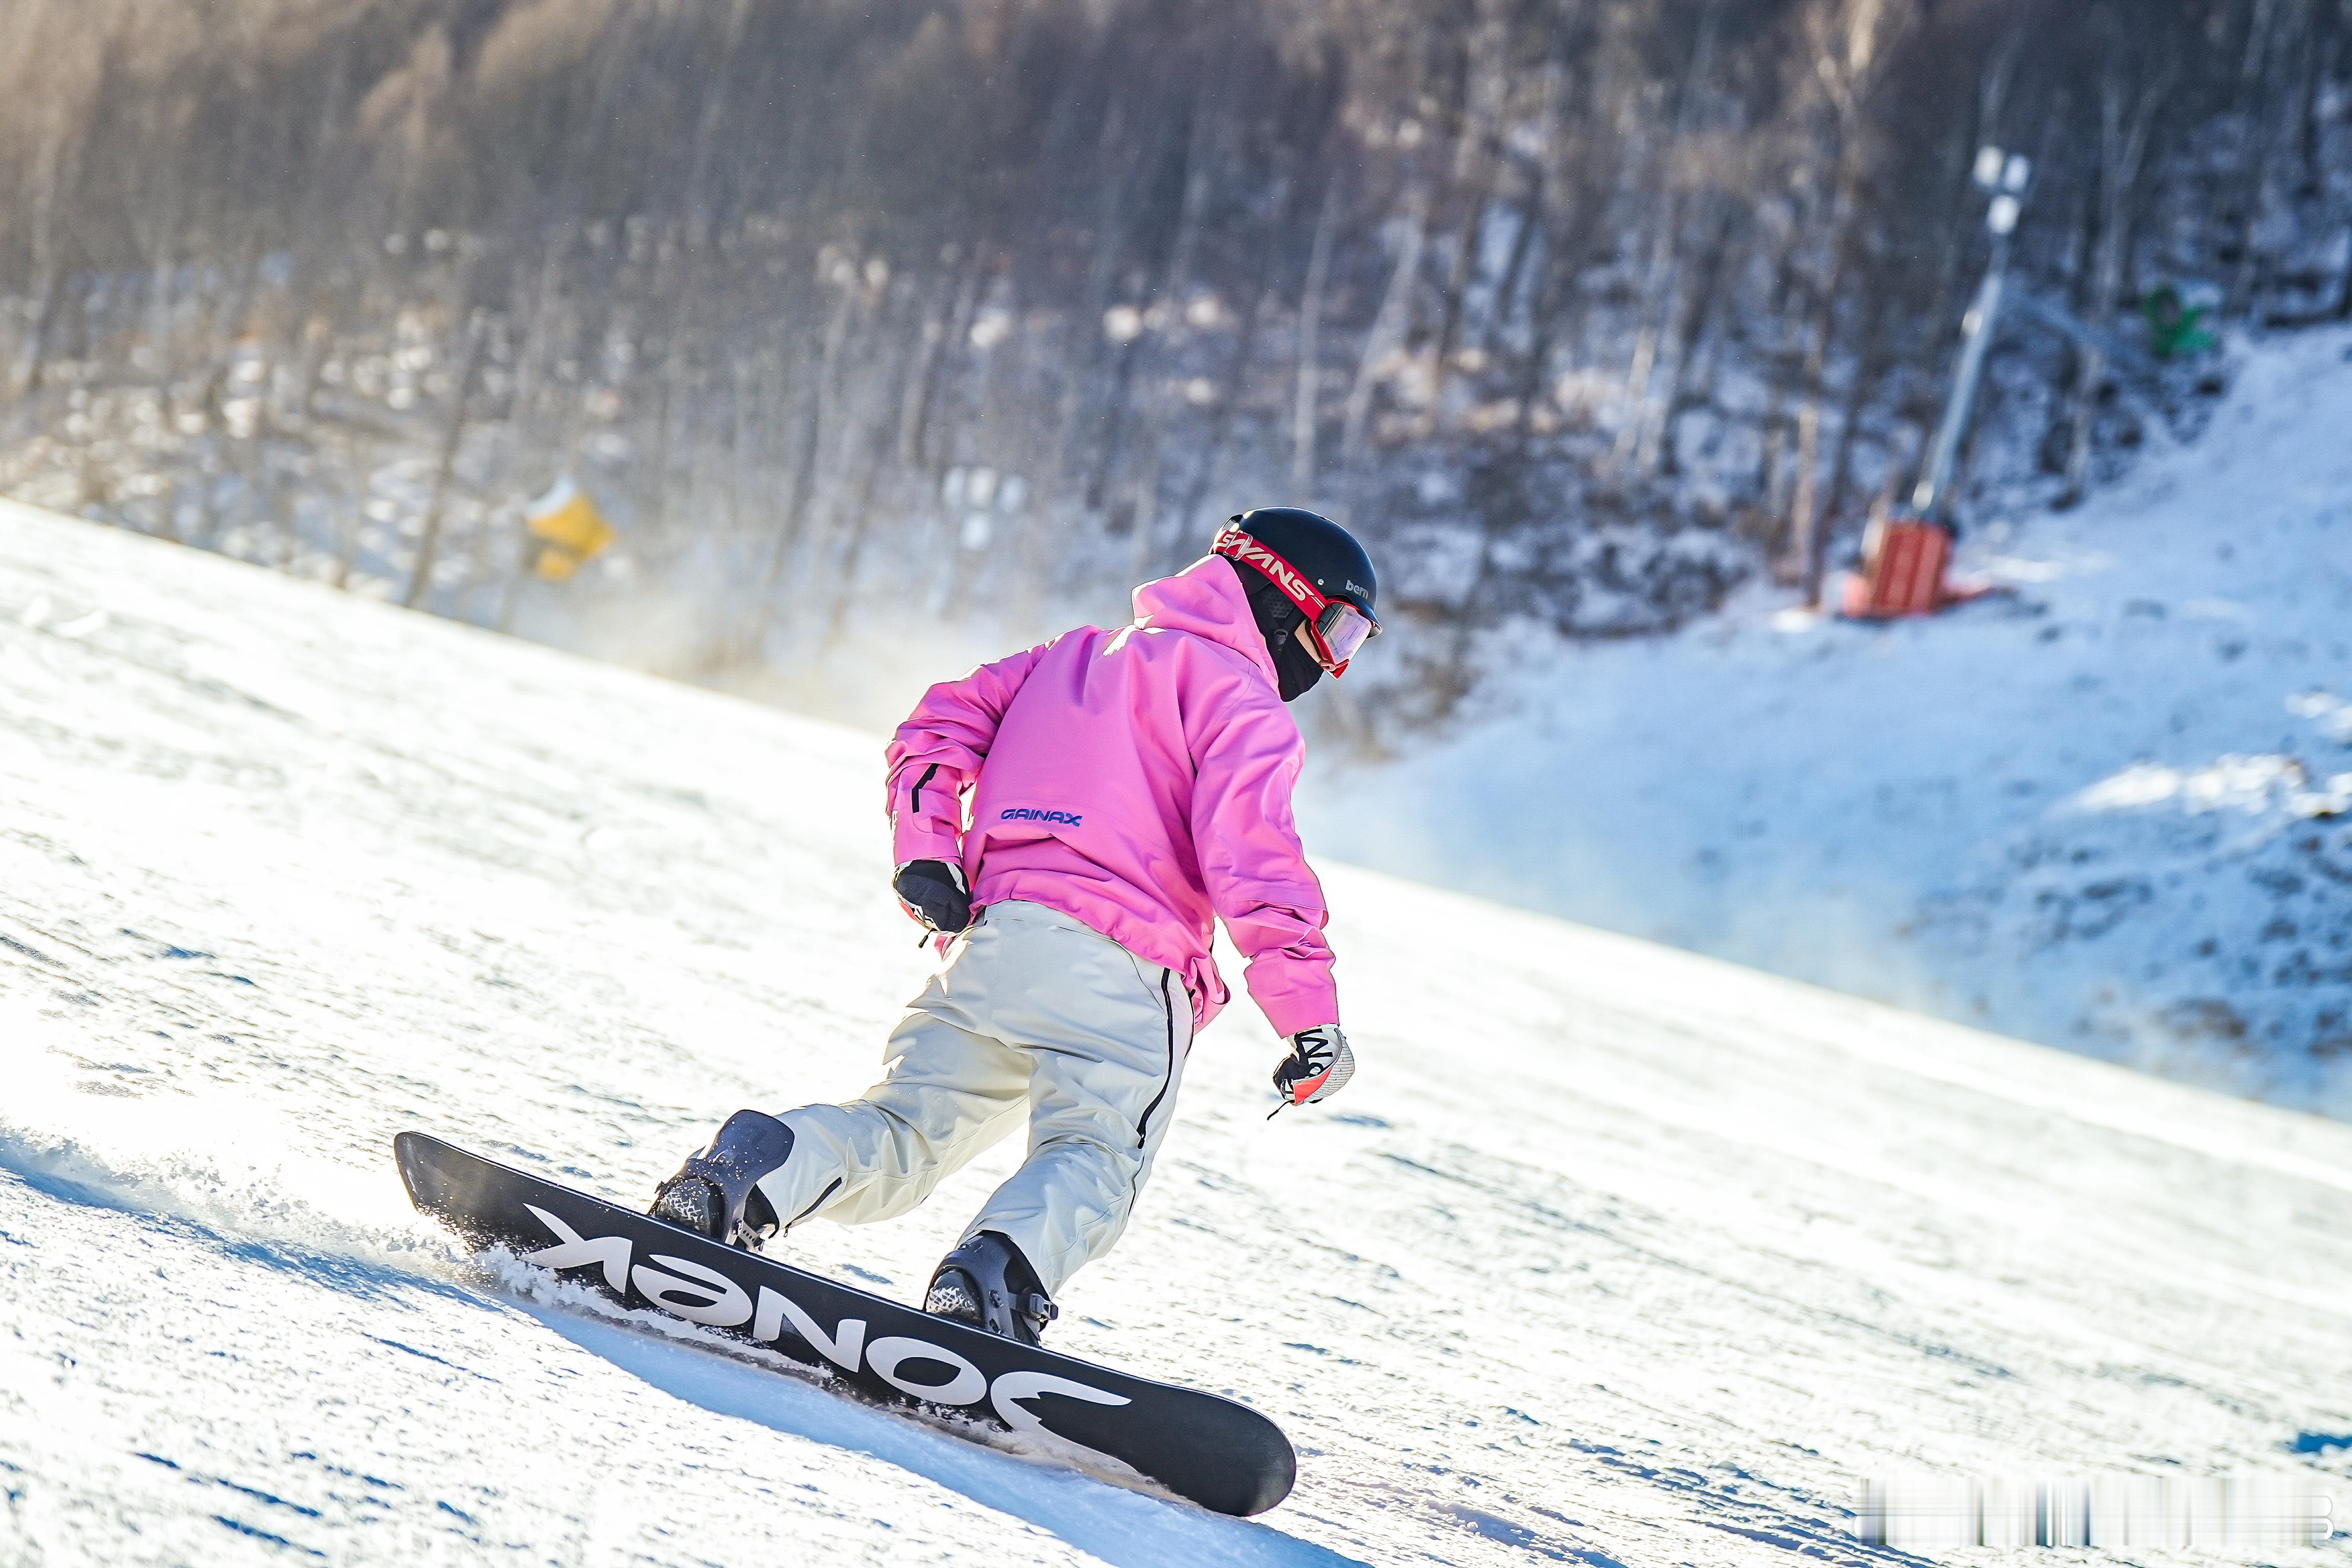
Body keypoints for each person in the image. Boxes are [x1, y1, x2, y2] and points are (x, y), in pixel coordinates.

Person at [647, 507, 1380, 1343]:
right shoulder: (1247, 710)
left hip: (999, 945)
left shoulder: (1066, 659)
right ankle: (991, 1283)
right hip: (1128, 978)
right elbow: (1257, 864)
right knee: (1095, 1157)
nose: (1333, 662)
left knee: (902, 1130)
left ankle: (740, 1180)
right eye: (1338, 630)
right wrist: (1309, 1019)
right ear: (1283, 601)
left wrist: (927, 850)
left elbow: (937, 726)